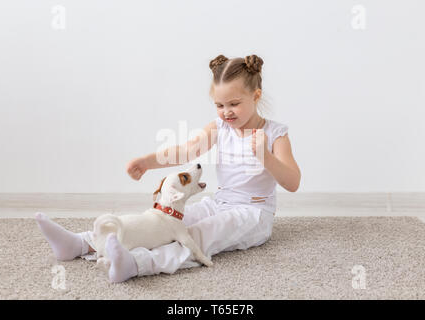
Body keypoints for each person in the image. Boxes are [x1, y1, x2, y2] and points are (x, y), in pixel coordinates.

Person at [35, 54, 301, 283]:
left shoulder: (275, 134)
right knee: (163, 219)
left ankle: (136, 264)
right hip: (219, 202)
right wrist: (147, 162)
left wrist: (265, 156)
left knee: (197, 235)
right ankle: (83, 242)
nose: (226, 112)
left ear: (256, 96)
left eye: (234, 104)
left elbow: (292, 182)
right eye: (219, 105)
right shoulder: (220, 127)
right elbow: (186, 151)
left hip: (253, 213)